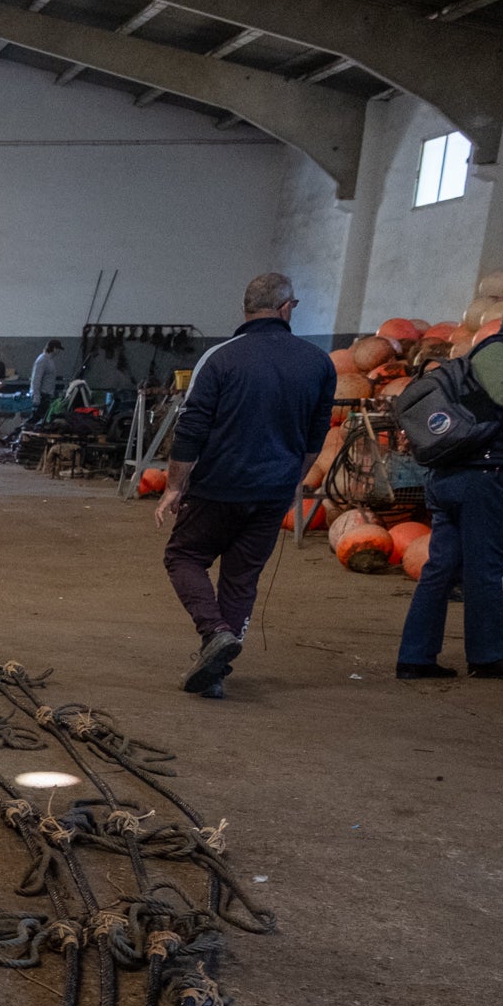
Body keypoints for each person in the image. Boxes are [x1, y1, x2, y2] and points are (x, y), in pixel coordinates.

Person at [152, 272, 335, 697]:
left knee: (184, 555)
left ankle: (215, 632)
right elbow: (316, 435)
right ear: (287, 308)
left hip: (219, 486)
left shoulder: (220, 358)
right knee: (241, 578)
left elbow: (191, 427)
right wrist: (292, 480)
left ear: (245, 309)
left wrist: (174, 487)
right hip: (273, 492)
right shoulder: (318, 362)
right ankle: (214, 672)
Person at [397, 285, 503, 684]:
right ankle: (488, 657)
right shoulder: (498, 349)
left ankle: (416, 658)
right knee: (485, 569)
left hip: (457, 475)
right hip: (481, 476)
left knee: (441, 568)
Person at [29, 338, 65, 416]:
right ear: (54, 348)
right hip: (42, 396)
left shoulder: (49, 360)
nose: (59, 352)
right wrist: (36, 396)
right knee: (38, 418)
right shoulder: (42, 360)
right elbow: (36, 379)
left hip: (46, 396)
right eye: (58, 349)